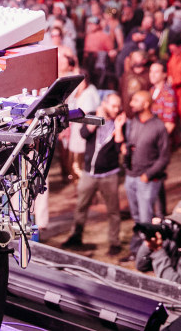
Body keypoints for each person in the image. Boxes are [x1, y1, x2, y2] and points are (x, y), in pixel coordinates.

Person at [62, 92, 124, 256]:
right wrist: (97, 118)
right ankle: (76, 237)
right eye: (113, 106)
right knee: (81, 207)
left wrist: (118, 128)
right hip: (89, 173)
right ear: (104, 104)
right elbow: (84, 134)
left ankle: (114, 243)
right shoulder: (92, 116)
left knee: (113, 211)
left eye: (119, 106)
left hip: (109, 174)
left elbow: (119, 149)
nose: (116, 109)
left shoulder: (120, 123)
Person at [119, 90, 171, 262]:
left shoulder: (158, 127)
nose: (131, 103)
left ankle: (149, 254)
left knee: (145, 218)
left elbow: (164, 157)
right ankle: (136, 251)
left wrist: (148, 174)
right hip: (131, 176)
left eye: (135, 100)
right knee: (136, 217)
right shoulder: (133, 122)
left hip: (147, 179)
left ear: (146, 104)